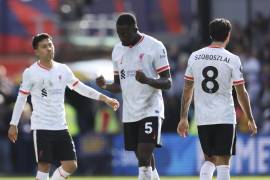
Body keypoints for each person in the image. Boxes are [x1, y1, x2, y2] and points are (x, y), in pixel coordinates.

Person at [7, 33, 120, 180]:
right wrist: (13, 124)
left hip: (61, 127)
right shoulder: (30, 73)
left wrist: (104, 98)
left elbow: (80, 87)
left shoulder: (63, 69)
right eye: (44, 46)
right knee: (44, 167)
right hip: (42, 127)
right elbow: (21, 98)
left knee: (71, 165)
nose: (49, 48)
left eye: (50, 44)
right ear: (36, 51)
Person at [177, 18, 257, 180]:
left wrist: (183, 117)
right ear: (228, 35)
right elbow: (241, 92)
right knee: (223, 163)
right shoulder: (232, 59)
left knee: (209, 159)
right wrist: (250, 117)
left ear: (210, 35)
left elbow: (187, 89)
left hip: (203, 117)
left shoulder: (195, 56)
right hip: (225, 116)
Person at [96, 13, 171, 180]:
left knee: (144, 157)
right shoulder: (117, 50)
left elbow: (167, 82)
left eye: (125, 33)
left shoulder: (155, 46)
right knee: (144, 159)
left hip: (151, 108)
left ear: (135, 29)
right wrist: (105, 86)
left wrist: (147, 80)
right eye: (119, 33)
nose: (122, 37)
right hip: (130, 112)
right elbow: (118, 85)